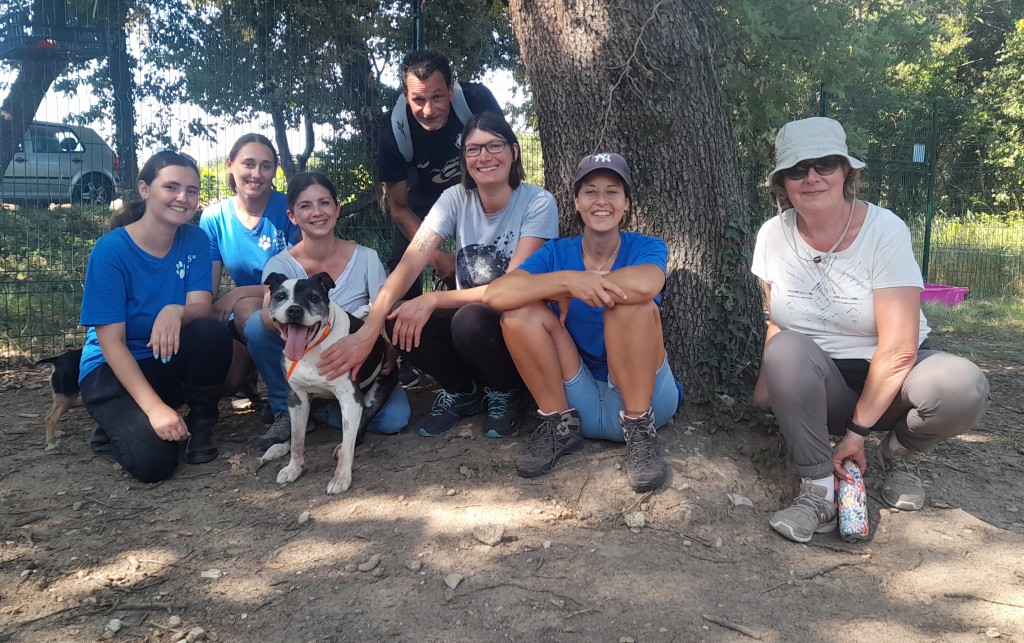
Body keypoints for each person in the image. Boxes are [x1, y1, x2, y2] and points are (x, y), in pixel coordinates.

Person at [750, 117, 990, 543]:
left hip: (896, 381)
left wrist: (856, 434)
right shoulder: (772, 235)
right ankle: (818, 490)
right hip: (823, 383)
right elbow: (778, 321)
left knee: (961, 386)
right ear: (782, 183)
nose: (811, 178)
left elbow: (898, 349)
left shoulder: (885, 230)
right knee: (786, 350)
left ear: (846, 171)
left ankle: (901, 454)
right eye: (796, 169)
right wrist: (766, 390)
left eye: (824, 164)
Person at [320, 112, 558, 439]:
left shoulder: (537, 201)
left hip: (514, 324)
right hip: (468, 319)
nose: (484, 156)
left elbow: (513, 287)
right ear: (464, 159)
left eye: (494, 146)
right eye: (473, 149)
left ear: (514, 152)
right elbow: (409, 265)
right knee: (396, 315)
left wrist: (433, 298)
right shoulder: (455, 197)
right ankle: (463, 391)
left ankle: (507, 392)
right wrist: (369, 331)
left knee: (468, 319)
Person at [484, 153, 682, 493]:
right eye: (590, 192)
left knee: (630, 306)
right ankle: (558, 425)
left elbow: (649, 283)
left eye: (612, 192)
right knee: (518, 314)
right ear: (576, 202)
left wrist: (590, 283)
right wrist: (566, 282)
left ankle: (640, 434)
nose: (601, 201)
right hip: (578, 397)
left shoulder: (646, 246)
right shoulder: (558, 253)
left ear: (625, 203)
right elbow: (495, 295)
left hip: (646, 397)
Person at [78, 151, 233, 483]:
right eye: (172, 187)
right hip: (112, 367)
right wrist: (154, 409)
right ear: (145, 189)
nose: (183, 198)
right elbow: (111, 343)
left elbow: (201, 307)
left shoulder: (195, 239)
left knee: (211, 332)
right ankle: (120, 421)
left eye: (192, 190)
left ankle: (201, 423)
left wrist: (175, 310)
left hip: (163, 356)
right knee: (155, 465)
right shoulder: (110, 251)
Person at [246, 172, 410, 449]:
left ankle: (320, 410)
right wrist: (285, 317)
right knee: (255, 325)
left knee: (394, 419)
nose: (317, 212)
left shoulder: (367, 258)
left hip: (356, 364)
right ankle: (285, 408)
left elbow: (385, 311)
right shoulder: (280, 265)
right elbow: (268, 313)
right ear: (292, 216)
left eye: (324, 203)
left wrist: (388, 348)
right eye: (305, 206)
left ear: (337, 209)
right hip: (302, 360)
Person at [378, 49, 503, 301]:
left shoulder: (477, 102)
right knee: (404, 267)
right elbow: (399, 208)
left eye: (437, 97)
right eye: (418, 100)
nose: (428, 110)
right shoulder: (393, 132)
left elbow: (504, 160)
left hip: (476, 192)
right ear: (405, 96)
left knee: (488, 265)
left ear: (450, 89)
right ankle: (405, 331)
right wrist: (436, 257)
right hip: (422, 198)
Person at [199, 133, 300, 401]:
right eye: (248, 164)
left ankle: (286, 396)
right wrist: (203, 311)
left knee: (246, 310)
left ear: (274, 172)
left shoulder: (288, 208)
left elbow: (295, 278)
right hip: (244, 310)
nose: (257, 173)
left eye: (266, 166)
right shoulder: (213, 218)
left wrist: (236, 294)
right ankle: (254, 371)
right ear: (230, 165)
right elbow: (208, 283)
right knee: (228, 384)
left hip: (287, 298)